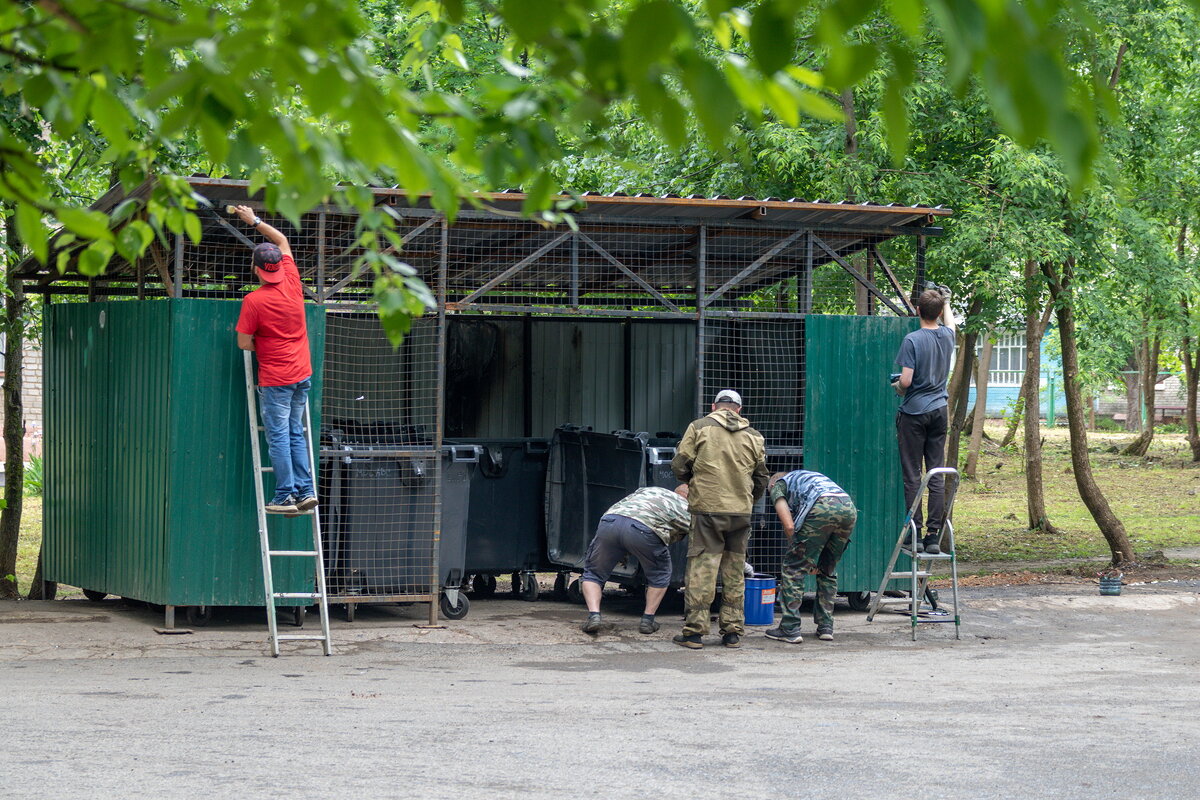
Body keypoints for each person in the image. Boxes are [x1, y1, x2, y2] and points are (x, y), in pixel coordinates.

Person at [233, 204, 317, 515]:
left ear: (255, 268)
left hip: (277, 379)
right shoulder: (293, 281)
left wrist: (262, 343)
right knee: (295, 431)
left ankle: (285, 495)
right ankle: (306, 490)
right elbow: (282, 240)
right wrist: (254, 220)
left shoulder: (254, 301)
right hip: (302, 375)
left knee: (280, 436)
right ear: (278, 266)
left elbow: (243, 342)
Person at [670, 389, 769, 650]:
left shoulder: (699, 427)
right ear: (739, 409)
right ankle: (732, 632)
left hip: (708, 510)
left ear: (715, 406)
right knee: (734, 571)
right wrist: (747, 500)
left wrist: (691, 480)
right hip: (740, 512)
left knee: (703, 569)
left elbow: (680, 463)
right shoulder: (754, 436)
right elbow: (761, 477)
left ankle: (694, 633)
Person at [579, 484, 691, 636]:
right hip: (644, 529)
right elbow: (698, 532)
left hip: (610, 521)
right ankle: (647, 620)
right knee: (660, 575)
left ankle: (594, 615)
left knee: (593, 573)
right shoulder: (685, 507)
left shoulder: (649, 490)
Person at [893, 286, 955, 554]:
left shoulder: (912, 340)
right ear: (939, 313)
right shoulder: (947, 337)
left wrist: (898, 387)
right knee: (936, 473)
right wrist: (947, 301)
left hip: (914, 413)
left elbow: (906, 380)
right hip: (939, 411)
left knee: (912, 475)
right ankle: (933, 536)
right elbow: (951, 324)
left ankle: (915, 535)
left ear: (918, 310)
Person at [763, 471, 857, 644]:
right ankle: (825, 626)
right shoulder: (805, 478)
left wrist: (797, 550)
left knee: (793, 568)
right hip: (847, 507)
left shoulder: (778, 484)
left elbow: (789, 526)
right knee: (827, 569)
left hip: (821, 505)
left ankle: (790, 628)